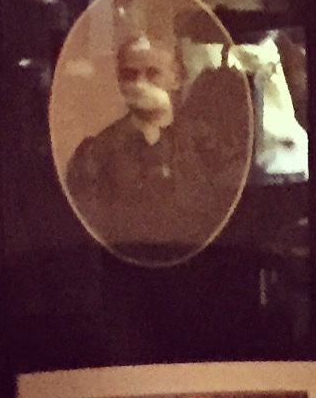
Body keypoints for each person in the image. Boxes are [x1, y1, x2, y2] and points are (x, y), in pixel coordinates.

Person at [60, 31, 251, 263]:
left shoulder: (208, 144)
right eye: (130, 75)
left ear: (177, 78)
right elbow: (88, 227)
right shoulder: (97, 153)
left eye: (153, 73)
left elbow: (232, 213)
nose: (140, 84)